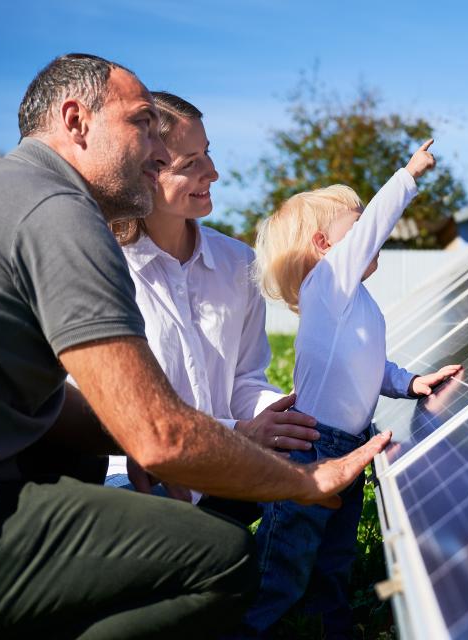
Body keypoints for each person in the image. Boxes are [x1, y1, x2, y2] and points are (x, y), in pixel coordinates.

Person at [0, 53, 389, 638]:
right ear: (76, 121)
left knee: (103, 460)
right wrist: (304, 481)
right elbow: (158, 436)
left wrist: (171, 438)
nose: (152, 148)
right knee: (222, 559)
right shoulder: (60, 214)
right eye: (142, 124)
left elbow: (51, 404)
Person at [247, 141, 462, 637]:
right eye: (357, 224)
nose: (370, 233)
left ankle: (334, 627)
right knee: (284, 563)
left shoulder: (356, 300)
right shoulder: (329, 283)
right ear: (325, 245)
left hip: (351, 445)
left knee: (334, 558)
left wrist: (409, 382)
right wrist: (408, 174)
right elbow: (373, 229)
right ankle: (250, 629)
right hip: (312, 447)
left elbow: (370, 365)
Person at [105, 91, 319, 516]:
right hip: (136, 478)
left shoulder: (238, 263)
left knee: (319, 463)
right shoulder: (107, 269)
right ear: (146, 173)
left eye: (208, 153)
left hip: (224, 472)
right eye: (191, 163)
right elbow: (112, 410)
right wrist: (241, 433)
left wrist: (280, 416)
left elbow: (245, 379)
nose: (214, 173)